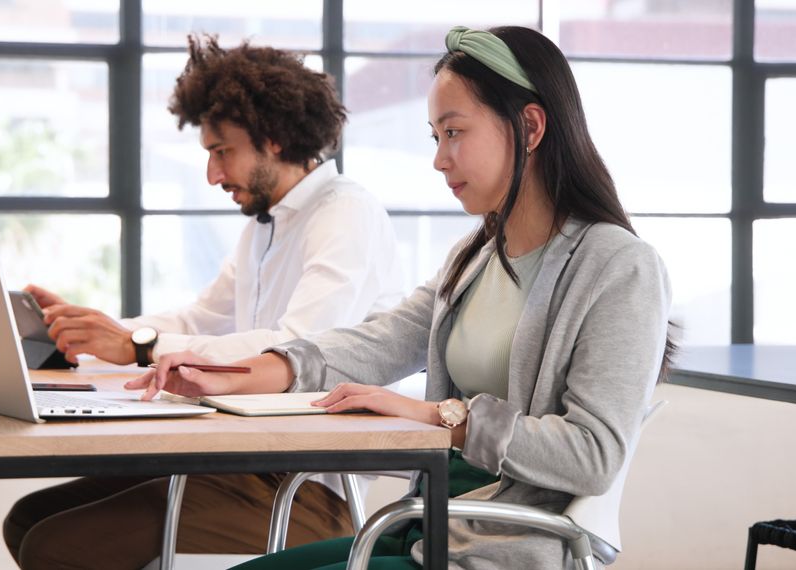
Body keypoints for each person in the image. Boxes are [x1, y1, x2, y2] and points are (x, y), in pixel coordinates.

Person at [134, 25, 676, 570]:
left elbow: (595, 455)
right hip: (427, 527)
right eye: (434, 137)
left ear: (530, 126)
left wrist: (439, 417)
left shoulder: (620, 266)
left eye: (454, 132)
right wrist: (236, 372)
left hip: (500, 550)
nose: (440, 159)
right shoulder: (476, 256)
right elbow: (378, 342)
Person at [4, 35, 403, 569]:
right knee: (29, 519)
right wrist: (96, 330)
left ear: (276, 138)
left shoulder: (345, 214)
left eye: (222, 153)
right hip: (238, 457)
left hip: (307, 486)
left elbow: (295, 350)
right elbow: (201, 317)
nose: (213, 175)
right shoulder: (265, 226)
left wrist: (138, 346)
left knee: (60, 547)